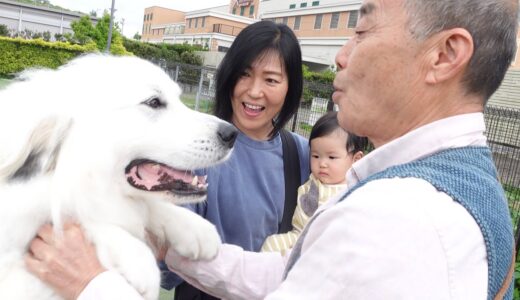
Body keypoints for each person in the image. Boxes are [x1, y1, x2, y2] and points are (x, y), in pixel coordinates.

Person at [26, 0, 518, 299]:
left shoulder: (400, 221)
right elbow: (298, 274)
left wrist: (93, 286)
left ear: (445, 55)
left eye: (363, 30)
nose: (342, 56)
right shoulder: (455, 183)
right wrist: (170, 243)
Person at [26, 20, 310, 300]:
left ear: (291, 88)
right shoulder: (185, 150)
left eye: (271, 79)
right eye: (244, 74)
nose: (254, 90)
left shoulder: (306, 154)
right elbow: (161, 261)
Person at [261, 111, 367, 255]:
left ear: (356, 159)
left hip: (327, 246)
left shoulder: (353, 191)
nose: (322, 163)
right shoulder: (313, 179)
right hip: (297, 237)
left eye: (332, 157)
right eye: (316, 156)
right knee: (272, 243)